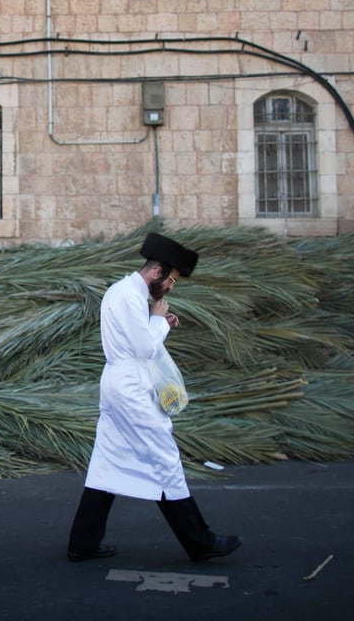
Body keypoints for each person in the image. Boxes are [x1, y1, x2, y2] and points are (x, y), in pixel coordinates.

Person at [66, 232, 242, 562]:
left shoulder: (121, 292)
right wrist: (158, 321)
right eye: (172, 280)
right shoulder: (130, 297)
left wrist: (157, 323)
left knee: (108, 460)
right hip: (131, 387)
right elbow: (145, 348)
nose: (172, 287)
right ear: (158, 271)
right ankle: (200, 542)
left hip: (118, 383)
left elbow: (138, 339)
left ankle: (82, 542)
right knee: (165, 458)